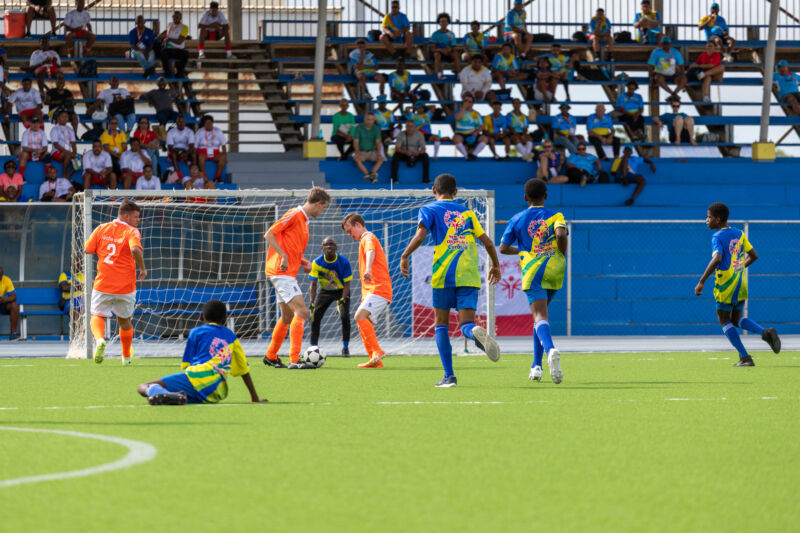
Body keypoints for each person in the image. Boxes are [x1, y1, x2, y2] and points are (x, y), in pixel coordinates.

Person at [399, 173, 502, 386]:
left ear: (433, 191)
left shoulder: (428, 209)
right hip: (469, 274)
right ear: (456, 192)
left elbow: (420, 236)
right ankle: (471, 332)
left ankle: (449, 376)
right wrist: (495, 265)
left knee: (441, 325)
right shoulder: (468, 213)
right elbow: (489, 243)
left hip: (444, 274)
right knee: (466, 323)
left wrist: (405, 255)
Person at [694, 202, 781, 367]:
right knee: (736, 319)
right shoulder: (739, 233)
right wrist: (739, 268)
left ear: (718, 220)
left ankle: (745, 357)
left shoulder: (717, 237)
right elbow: (754, 255)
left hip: (726, 284)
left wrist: (701, 281)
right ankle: (765, 332)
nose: (706, 220)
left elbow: (717, 258)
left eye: (709, 217)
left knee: (723, 319)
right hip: (741, 282)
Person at [499, 178, 567, 384]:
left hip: (533, 271)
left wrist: (523, 251)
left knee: (539, 316)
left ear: (525, 197)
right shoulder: (556, 215)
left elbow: (502, 247)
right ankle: (536, 366)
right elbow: (561, 234)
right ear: (546, 196)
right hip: (554, 270)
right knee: (540, 319)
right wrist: (560, 252)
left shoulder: (518, 219)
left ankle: (550, 350)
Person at [137, 299, 267, 405]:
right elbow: (244, 371)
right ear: (225, 319)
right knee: (182, 399)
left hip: (196, 378)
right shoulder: (232, 337)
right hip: (216, 391)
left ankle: (157, 392)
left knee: (143, 387)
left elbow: (187, 366)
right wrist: (255, 398)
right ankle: (174, 398)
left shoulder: (196, 332)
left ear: (201, 316)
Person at [263, 187, 330, 369]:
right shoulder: (294, 214)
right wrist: (283, 256)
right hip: (280, 271)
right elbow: (269, 234)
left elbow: (290, 246)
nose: (322, 212)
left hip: (286, 272)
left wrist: (302, 262)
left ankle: (271, 356)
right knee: (302, 311)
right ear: (318, 203)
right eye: (323, 208)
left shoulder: (305, 221)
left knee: (287, 316)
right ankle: (295, 360)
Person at [84, 199, 147, 364]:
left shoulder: (101, 228)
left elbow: (87, 249)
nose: (138, 220)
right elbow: (134, 249)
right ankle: (126, 356)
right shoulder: (132, 231)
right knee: (125, 321)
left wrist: (104, 248)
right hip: (125, 286)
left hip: (103, 283)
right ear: (126, 216)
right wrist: (142, 268)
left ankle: (99, 340)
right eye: (136, 217)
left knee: (97, 315)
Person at [341, 213, 392, 368]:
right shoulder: (364, 239)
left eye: (350, 231)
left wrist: (368, 268)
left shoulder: (367, 237)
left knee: (359, 316)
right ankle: (374, 360)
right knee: (363, 322)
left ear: (358, 224)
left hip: (378, 288)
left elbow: (371, 251)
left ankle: (377, 351)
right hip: (371, 291)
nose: (350, 235)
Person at [308, 237, 353, 356]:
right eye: (326, 245)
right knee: (315, 317)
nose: (329, 247)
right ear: (322, 248)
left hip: (342, 290)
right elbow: (313, 284)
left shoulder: (343, 261)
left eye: (332, 244)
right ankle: (313, 348)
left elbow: (347, 283)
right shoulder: (317, 262)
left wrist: (343, 299)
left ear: (336, 247)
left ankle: (345, 348)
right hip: (325, 291)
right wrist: (311, 302)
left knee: (344, 316)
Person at [352, 112, 385, 183]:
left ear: (374, 120)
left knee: (381, 159)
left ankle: (370, 174)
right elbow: (355, 142)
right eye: (368, 119)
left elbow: (378, 142)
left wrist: (379, 154)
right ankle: (368, 175)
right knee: (357, 159)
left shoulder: (376, 128)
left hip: (372, 151)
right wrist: (357, 153)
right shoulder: (358, 128)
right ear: (364, 119)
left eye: (372, 120)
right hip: (361, 151)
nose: (370, 121)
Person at [453, 94, 488, 161]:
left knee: (485, 139)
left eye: (469, 101)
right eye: (465, 101)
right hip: (460, 134)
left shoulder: (477, 113)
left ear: (473, 103)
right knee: (456, 139)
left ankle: (474, 155)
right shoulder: (458, 110)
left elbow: (481, 126)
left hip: (473, 134)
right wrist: (463, 108)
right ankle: (466, 156)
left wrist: (476, 133)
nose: (467, 103)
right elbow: (457, 118)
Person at [194, 115, 227, 181]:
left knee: (223, 157)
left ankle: (217, 177)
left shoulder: (218, 131)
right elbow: (195, 147)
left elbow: (223, 145)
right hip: (203, 152)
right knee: (200, 157)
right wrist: (194, 159)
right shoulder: (199, 132)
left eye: (210, 123)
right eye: (207, 123)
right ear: (204, 124)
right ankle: (204, 176)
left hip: (215, 153)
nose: (209, 125)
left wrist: (224, 155)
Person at [158, 11, 190, 79]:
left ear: (180, 18)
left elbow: (179, 41)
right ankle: (167, 73)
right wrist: (160, 36)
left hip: (178, 49)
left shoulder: (184, 27)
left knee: (186, 54)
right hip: (168, 49)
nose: (175, 18)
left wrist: (169, 39)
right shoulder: (169, 24)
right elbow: (165, 32)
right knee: (163, 52)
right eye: (174, 16)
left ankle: (180, 73)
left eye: (177, 17)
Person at [430, 13, 461, 80]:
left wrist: (449, 50)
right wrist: (441, 50)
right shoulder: (435, 34)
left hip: (448, 52)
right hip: (439, 52)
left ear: (448, 23)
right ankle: (439, 74)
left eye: (445, 21)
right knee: (437, 55)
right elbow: (433, 48)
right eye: (442, 21)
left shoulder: (451, 34)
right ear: (439, 23)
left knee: (456, 54)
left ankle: (459, 74)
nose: (443, 23)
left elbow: (453, 46)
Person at [50, 110, 78, 177]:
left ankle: (68, 176)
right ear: (58, 118)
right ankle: (64, 174)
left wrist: (74, 152)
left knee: (80, 159)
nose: (65, 118)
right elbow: (55, 144)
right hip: (56, 152)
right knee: (68, 156)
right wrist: (67, 152)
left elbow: (73, 143)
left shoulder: (70, 129)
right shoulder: (55, 129)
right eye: (62, 117)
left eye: (66, 117)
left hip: (67, 152)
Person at [166, 114, 195, 179]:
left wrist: (186, 153)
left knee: (194, 155)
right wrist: (180, 153)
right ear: (176, 122)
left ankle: (194, 174)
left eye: (182, 121)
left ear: (185, 122)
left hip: (186, 151)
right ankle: (178, 175)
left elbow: (191, 146)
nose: (181, 123)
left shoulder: (189, 131)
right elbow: (170, 147)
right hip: (175, 151)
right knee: (173, 154)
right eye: (179, 121)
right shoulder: (171, 132)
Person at [57, 259, 83, 325]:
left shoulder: (83, 276)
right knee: (73, 310)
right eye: (76, 264)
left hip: (82, 300)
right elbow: (64, 288)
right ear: (71, 265)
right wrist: (79, 286)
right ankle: (80, 329)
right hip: (70, 300)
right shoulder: (65, 275)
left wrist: (71, 285)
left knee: (90, 310)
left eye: (79, 264)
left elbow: (89, 288)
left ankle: (89, 330)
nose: (78, 266)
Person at [0, 266, 20, 340]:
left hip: (1, 303)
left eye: (0, 275)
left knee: (14, 305)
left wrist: (4, 299)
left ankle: (13, 334)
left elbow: (14, 297)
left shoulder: (6, 280)